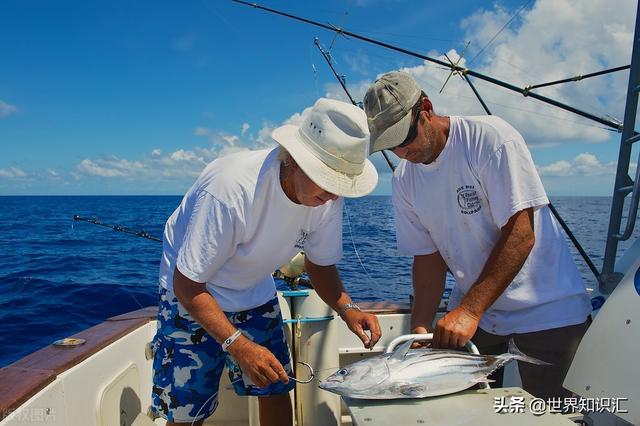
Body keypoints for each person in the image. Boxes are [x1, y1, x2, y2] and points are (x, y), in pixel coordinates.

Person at [151, 97, 381, 426]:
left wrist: (348, 308)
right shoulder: (231, 189)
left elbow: (319, 265)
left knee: (275, 386)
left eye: (341, 184)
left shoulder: (327, 198)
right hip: (192, 290)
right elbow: (187, 284)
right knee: (189, 408)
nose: (332, 195)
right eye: (327, 180)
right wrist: (238, 345)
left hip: (253, 287)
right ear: (293, 160)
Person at [363, 71, 591, 400]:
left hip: (547, 308)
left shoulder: (490, 138)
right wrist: (421, 327)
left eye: (405, 137)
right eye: (390, 145)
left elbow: (521, 234)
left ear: (425, 108)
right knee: (457, 409)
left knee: (557, 415)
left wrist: (469, 312)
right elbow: (427, 258)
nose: (402, 152)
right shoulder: (404, 181)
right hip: (480, 314)